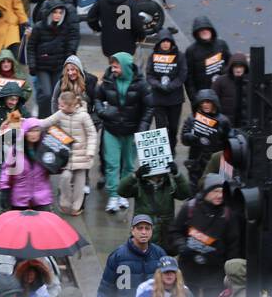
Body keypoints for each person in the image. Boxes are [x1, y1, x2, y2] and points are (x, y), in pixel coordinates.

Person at [170, 173, 241, 297]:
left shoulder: (229, 214)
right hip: (189, 270)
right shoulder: (189, 208)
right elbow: (174, 232)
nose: (220, 195)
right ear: (206, 191)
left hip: (215, 275)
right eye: (215, 191)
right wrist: (182, 246)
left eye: (222, 191)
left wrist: (228, 271)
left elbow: (234, 245)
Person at [94, 52, 150, 213]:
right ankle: (113, 195)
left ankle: (123, 194)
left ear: (125, 67)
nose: (113, 69)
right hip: (111, 129)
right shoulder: (107, 80)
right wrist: (102, 113)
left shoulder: (141, 84)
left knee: (129, 165)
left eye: (116, 66)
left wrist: (142, 130)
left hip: (132, 131)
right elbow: (97, 97)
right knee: (112, 163)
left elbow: (149, 108)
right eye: (112, 66)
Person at [95, 214, 166, 297]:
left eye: (147, 228)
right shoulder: (118, 256)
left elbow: (168, 285)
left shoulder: (159, 254)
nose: (143, 232)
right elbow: (106, 287)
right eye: (140, 228)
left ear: (152, 231)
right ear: (132, 230)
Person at [41, 89, 98, 215]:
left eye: (61, 105)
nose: (59, 107)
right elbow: (46, 122)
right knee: (65, 177)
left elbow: (92, 134)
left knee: (79, 184)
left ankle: (76, 207)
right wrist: (28, 122)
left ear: (71, 105)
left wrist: (90, 151)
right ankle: (65, 203)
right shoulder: (60, 114)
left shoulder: (84, 116)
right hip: (67, 155)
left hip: (82, 155)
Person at [117, 162, 192, 254]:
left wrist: (177, 175)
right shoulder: (139, 184)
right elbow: (121, 191)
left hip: (164, 234)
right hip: (145, 233)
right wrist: (135, 175)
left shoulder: (170, 183)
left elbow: (185, 193)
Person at [145, 27, 188, 150]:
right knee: (160, 127)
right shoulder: (153, 56)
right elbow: (149, 74)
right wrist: (158, 85)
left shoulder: (180, 56)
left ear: (172, 42)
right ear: (159, 43)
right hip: (159, 99)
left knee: (173, 127)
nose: (165, 44)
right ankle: (163, 151)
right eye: (163, 42)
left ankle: (172, 148)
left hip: (175, 99)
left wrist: (171, 86)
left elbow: (183, 74)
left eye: (167, 41)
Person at [128, 256, 192, 297]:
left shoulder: (185, 292)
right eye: (165, 271)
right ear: (159, 274)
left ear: (177, 274)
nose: (169, 274)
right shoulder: (147, 290)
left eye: (172, 271)